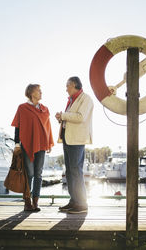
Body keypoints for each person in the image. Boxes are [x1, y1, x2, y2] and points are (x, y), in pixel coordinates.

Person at [11, 84, 54, 212]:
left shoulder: (45, 109)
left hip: (41, 144)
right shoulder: (22, 108)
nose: (41, 92)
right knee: (29, 173)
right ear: (31, 93)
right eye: (38, 90)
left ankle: (36, 202)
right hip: (27, 145)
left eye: (41, 90)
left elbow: (48, 127)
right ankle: (27, 202)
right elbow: (17, 126)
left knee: (38, 174)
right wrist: (17, 143)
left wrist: (49, 142)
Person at [56, 76, 93, 214]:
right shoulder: (72, 100)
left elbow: (80, 117)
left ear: (74, 85)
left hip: (76, 140)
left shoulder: (86, 99)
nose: (66, 89)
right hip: (68, 138)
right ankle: (74, 202)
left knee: (76, 171)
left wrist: (63, 115)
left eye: (68, 86)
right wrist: (62, 118)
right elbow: (72, 117)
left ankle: (82, 204)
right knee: (70, 172)